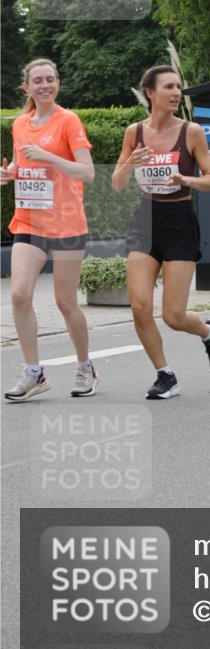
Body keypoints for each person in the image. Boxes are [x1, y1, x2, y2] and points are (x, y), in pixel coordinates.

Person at [112, 65, 210, 399]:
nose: (176, 92)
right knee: (139, 306)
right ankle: (165, 374)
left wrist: (185, 179)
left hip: (179, 219)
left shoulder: (190, 132)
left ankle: (209, 333)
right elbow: (117, 184)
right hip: (145, 218)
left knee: (173, 315)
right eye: (168, 87)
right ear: (150, 93)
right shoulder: (134, 132)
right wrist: (130, 163)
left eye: (178, 87)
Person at [2, 58, 98, 401]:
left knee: (64, 300)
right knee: (19, 295)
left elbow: (86, 172)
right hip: (29, 219)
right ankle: (33, 372)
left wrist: (48, 156)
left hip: (66, 221)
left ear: (58, 83)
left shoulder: (68, 120)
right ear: (26, 87)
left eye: (50, 79)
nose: (45, 85)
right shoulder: (20, 124)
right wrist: (11, 172)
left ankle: (86, 366)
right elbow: (22, 161)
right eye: (37, 81)